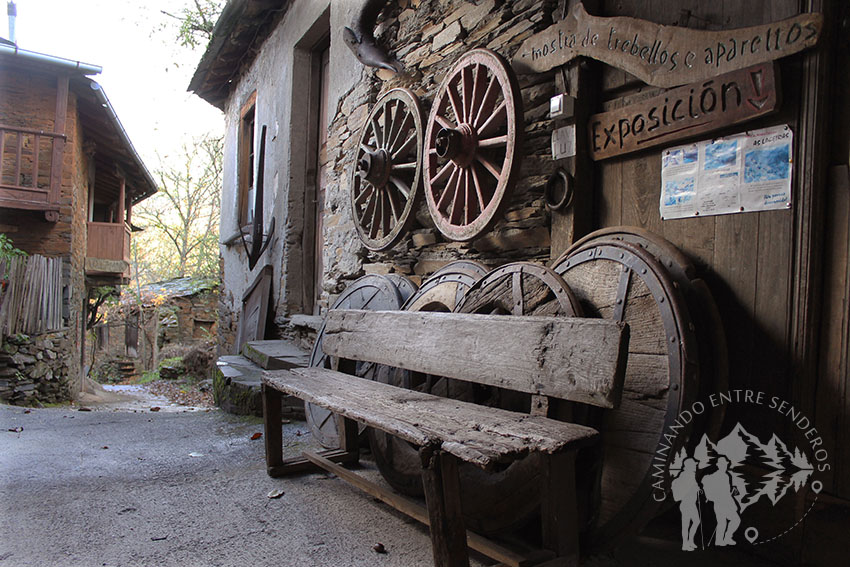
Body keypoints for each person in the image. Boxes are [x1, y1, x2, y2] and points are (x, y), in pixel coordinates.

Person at [701, 456, 741, 546]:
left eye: (725, 464)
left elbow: (725, 491)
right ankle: (722, 539)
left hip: (725, 502)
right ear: (718, 465)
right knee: (726, 522)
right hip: (721, 503)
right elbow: (719, 491)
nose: (724, 466)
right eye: (722, 464)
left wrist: (732, 491)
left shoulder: (726, 475)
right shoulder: (718, 476)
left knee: (731, 521)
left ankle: (724, 539)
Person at [671, 457, 701, 551]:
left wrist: (697, 489)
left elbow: (694, 486)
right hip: (686, 504)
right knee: (686, 525)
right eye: (693, 465)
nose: (695, 467)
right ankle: (685, 544)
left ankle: (690, 541)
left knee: (696, 521)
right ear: (689, 466)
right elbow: (685, 488)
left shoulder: (691, 475)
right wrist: (693, 488)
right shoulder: (685, 475)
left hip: (692, 504)